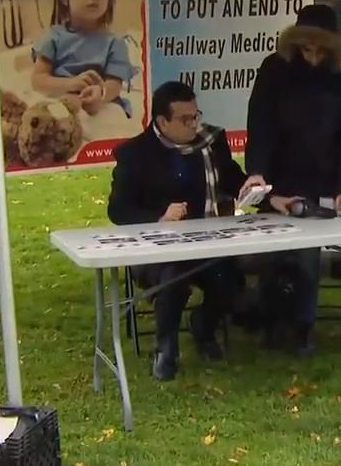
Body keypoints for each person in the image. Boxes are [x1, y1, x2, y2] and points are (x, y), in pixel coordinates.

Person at [241, 3, 341, 357]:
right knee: (272, 251)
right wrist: (258, 174)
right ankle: (269, 321)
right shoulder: (274, 69)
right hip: (280, 176)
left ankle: (302, 326)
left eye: (318, 48)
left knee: (307, 254)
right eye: (305, 47)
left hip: (324, 177)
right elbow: (261, 125)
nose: (311, 54)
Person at [106, 81, 247, 381]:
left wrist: (251, 188)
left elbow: (231, 179)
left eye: (196, 115)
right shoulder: (135, 154)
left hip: (208, 242)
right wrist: (159, 217)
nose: (194, 124)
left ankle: (204, 326)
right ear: (162, 122)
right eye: (186, 119)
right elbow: (118, 211)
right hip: (157, 250)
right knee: (174, 279)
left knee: (231, 280)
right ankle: (166, 347)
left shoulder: (210, 141)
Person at [32, 0, 138, 117]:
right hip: (62, 99)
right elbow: (38, 79)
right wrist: (70, 84)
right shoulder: (54, 37)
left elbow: (114, 85)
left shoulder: (114, 43)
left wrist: (100, 93)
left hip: (100, 103)